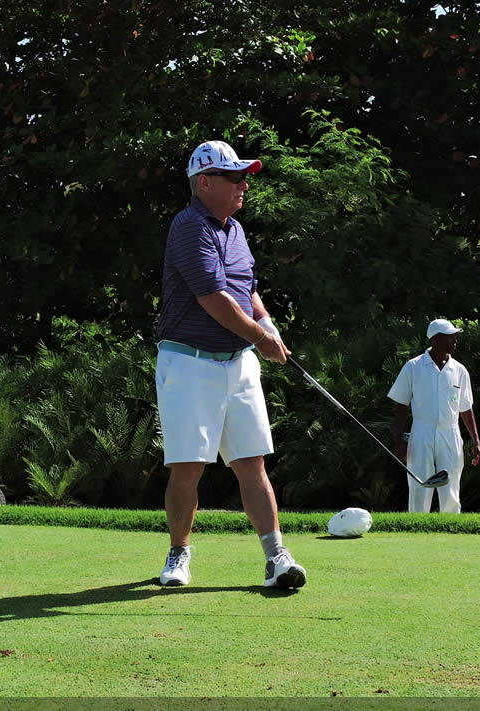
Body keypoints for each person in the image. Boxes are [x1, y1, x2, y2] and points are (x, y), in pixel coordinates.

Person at [154, 140, 306, 589]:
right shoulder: (189, 226)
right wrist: (260, 338)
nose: (244, 185)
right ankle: (179, 552)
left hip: (238, 362)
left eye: (245, 177)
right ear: (205, 182)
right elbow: (213, 298)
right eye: (234, 177)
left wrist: (268, 326)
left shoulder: (234, 230)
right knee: (189, 465)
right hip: (189, 362)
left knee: (251, 462)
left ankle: (276, 557)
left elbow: (245, 289)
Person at [387, 319, 480, 513]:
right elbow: (402, 406)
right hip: (421, 432)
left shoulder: (460, 370)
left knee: (451, 484)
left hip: (450, 432)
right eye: (451, 337)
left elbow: (465, 408)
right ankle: (417, 525)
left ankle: (450, 525)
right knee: (419, 484)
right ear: (436, 340)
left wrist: (476, 441)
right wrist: (398, 441)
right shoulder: (413, 367)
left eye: (455, 337)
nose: (455, 341)